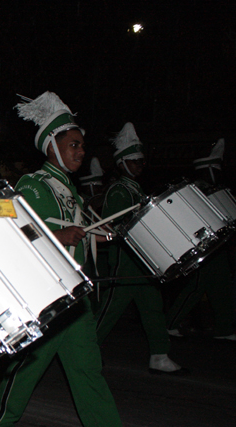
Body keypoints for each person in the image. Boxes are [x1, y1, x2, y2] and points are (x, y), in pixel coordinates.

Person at [0, 92, 144, 427]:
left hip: (76, 294)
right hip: (47, 291)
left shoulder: (70, 190)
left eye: (82, 146)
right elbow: (13, 226)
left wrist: (94, 237)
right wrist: (63, 235)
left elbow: (78, 230)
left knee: (89, 370)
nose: (80, 152)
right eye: (73, 145)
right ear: (51, 145)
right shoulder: (33, 184)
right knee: (28, 366)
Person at [95, 123, 188, 375]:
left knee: (152, 306)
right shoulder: (119, 190)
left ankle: (159, 354)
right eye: (134, 161)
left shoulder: (135, 189)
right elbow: (114, 226)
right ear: (122, 162)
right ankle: (87, 350)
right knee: (110, 307)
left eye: (141, 161)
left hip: (142, 257)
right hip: (125, 257)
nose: (139, 165)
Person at [165, 139, 236, 341]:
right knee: (196, 287)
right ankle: (170, 322)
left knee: (221, 285)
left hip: (217, 245)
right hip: (203, 245)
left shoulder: (215, 188)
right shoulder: (197, 189)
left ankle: (224, 327)